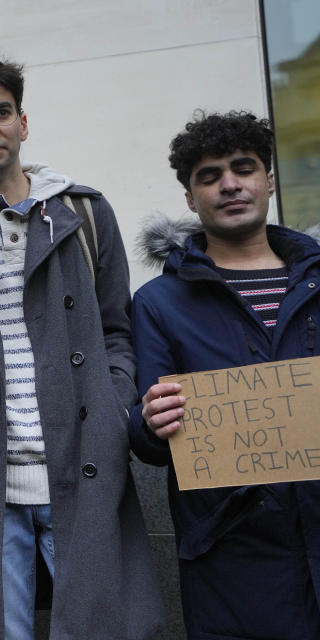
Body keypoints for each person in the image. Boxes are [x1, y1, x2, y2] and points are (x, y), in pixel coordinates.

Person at [0, 53, 163, 638]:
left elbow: (118, 333)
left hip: (84, 469)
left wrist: (114, 411)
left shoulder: (84, 214)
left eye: (1, 112)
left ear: (23, 122)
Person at [131, 111, 320, 638]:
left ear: (269, 181)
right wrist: (148, 421)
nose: (230, 184)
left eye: (243, 168)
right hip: (231, 558)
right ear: (190, 198)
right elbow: (147, 439)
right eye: (210, 176)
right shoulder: (158, 304)